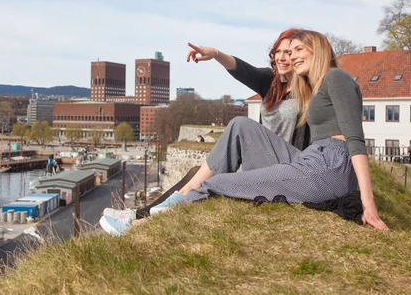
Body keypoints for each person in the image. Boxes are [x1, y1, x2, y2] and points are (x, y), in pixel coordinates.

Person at [101, 30, 388, 234]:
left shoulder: (336, 78)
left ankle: (141, 224)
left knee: (220, 183)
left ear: (319, 50)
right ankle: (157, 209)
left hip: (328, 165)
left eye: (299, 50)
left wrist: (369, 203)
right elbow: (246, 70)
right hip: (311, 160)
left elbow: (354, 140)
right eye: (286, 52)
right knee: (239, 125)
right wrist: (215, 54)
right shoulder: (306, 84)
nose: (291, 56)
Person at [100, 29, 310, 227]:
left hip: (282, 165)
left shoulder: (309, 89)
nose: (282, 58)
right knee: (195, 173)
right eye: (277, 52)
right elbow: (241, 69)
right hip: (258, 158)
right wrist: (216, 54)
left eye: (288, 52)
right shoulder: (272, 84)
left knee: (210, 175)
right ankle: (141, 214)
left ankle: (143, 220)